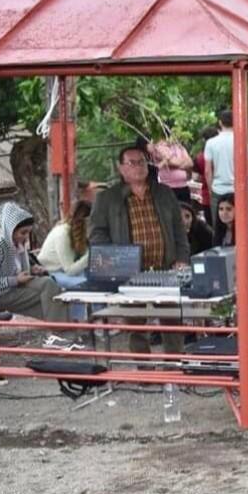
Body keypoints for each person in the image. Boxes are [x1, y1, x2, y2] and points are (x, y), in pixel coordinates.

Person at [90, 145, 190, 355]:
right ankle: (144, 367)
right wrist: (116, 259)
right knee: (136, 326)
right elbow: (97, 234)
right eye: (132, 163)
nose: (138, 167)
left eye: (142, 162)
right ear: (121, 168)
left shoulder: (164, 193)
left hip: (166, 268)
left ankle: (174, 365)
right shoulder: (108, 198)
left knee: (173, 321)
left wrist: (182, 258)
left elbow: (179, 231)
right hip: (130, 273)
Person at [0, 203, 65, 324]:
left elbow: (17, 270)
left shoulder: (18, 244)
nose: (26, 237)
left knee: (50, 284)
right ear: (11, 230)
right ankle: (60, 327)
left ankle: (60, 326)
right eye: (23, 233)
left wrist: (32, 270)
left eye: (28, 233)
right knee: (48, 295)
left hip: (16, 286)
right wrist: (15, 280)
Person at [204, 109, 248, 233]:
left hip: (218, 189)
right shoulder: (242, 141)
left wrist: (210, 188)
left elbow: (208, 171)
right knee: (240, 227)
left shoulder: (211, 143)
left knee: (218, 227)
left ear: (220, 123)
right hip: (237, 189)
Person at [213, 195, 248, 295]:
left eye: (228, 209)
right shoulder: (219, 232)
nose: (224, 213)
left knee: (236, 290)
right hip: (229, 276)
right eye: (221, 209)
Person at [37, 200, 91, 290]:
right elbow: (70, 270)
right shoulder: (62, 233)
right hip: (51, 273)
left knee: (95, 279)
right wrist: (91, 255)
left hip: (66, 272)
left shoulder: (80, 234)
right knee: (86, 284)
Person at [147, 138, 194, 202]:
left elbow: (190, 163)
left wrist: (176, 163)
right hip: (168, 187)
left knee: (186, 207)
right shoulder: (158, 148)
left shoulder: (180, 147)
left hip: (184, 187)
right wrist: (183, 163)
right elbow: (172, 163)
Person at [192, 126, 219, 223]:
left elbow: (195, 177)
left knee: (211, 224)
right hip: (224, 195)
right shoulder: (221, 154)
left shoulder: (199, 157)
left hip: (207, 196)